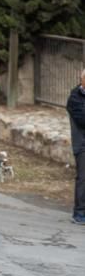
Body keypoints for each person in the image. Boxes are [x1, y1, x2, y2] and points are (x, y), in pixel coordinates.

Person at [66, 69, 85, 225]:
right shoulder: (75, 98)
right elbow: (82, 119)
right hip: (82, 144)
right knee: (83, 178)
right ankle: (79, 213)